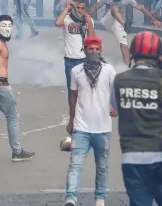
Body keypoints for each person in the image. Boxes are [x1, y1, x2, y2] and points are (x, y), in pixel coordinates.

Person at [111, 31, 162, 206]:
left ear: (132, 54)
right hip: (161, 158)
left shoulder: (119, 80)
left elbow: (116, 107)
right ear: (159, 56)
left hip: (131, 158)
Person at [64, 36, 116, 206]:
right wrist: (71, 121)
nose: (94, 52)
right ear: (84, 50)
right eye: (90, 49)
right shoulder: (76, 71)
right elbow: (73, 96)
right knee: (75, 164)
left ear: (100, 50)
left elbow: (115, 93)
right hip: (81, 127)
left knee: (102, 167)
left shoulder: (109, 70)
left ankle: (100, 198)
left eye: (97, 49)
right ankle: (70, 198)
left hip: (102, 128)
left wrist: (115, 108)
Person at [0, 14, 35, 164]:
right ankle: (17, 152)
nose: (7, 29)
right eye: (4, 26)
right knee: (13, 118)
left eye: (10, 26)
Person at [88, 0, 162, 65]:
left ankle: (127, 67)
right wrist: (85, 17)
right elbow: (94, 7)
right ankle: (124, 24)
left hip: (118, 24)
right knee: (114, 8)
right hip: (107, 20)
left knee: (125, 48)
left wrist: (153, 19)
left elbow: (141, 8)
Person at [54, 0, 95, 106]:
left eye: (83, 8)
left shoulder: (87, 20)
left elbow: (92, 40)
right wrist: (67, 8)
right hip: (70, 60)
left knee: (85, 88)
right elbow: (57, 23)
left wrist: (89, 23)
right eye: (78, 8)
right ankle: (73, 114)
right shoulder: (67, 19)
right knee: (72, 90)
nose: (80, 10)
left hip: (83, 59)